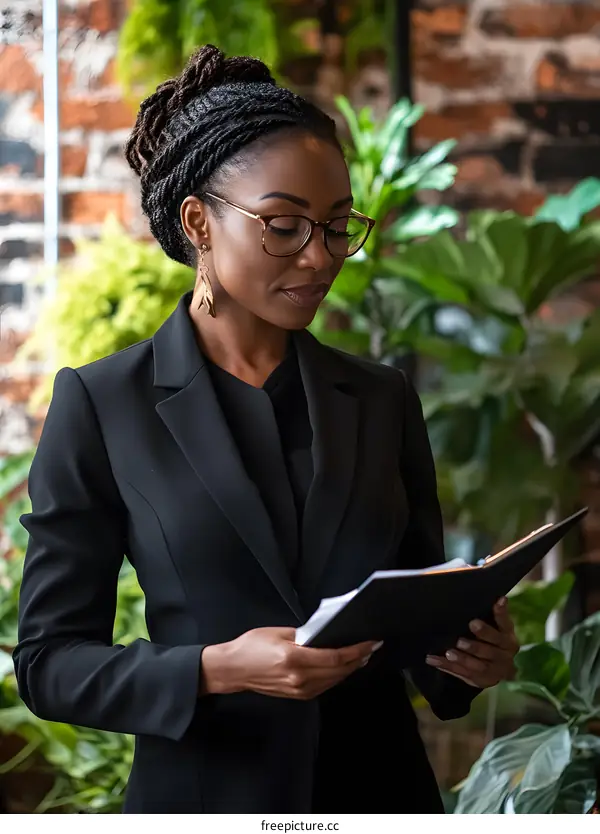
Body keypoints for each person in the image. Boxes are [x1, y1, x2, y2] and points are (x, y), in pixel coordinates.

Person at [13, 45, 518, 814]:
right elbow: (50, 665)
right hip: (202, 802)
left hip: (380, 799)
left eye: (338, 224)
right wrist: (215, 668)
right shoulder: (103, 404)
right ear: (198, 224)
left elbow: (421, 638)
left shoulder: (381, 399)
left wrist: (470, 659)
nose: (320, 257)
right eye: (283, 225)